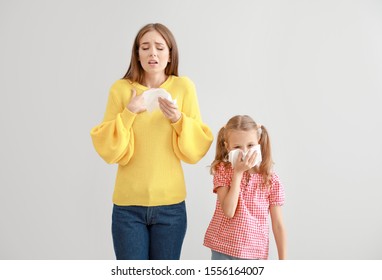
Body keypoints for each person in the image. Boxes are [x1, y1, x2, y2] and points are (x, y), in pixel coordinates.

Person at [90, 23, 213, 260]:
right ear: (137, 54)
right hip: (128, 209)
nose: (152, 53)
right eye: (145, 47)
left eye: (159, 47)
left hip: (171, 208)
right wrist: (129, 112)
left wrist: (178, 119)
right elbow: (107, 147)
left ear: (170, 54)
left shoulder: (183, 87)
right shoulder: (121, 89)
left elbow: (197, 146)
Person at [203, 115, 286, 260]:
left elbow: (278, 224)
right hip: (223, 249)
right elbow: (228, 211)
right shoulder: (222, 170)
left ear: (258, 142)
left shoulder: (270, 179)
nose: (245, 152)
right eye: (237, 147)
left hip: (254, 254)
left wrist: (283, 260)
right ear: (227, 147)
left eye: (250, 145)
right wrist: (238, 173)